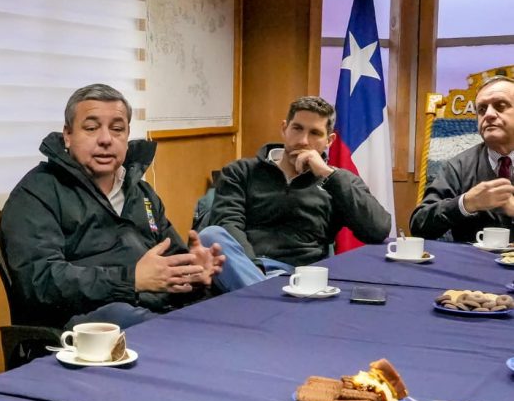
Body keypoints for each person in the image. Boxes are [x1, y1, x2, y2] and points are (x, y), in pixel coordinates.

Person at [0, 83, 225, 330]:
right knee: (130, 319)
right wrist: (132, 280)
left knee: (220, 312)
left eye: (117, 129)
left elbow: (168, 265)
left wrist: (193, 274)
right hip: (81, 327)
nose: (106, 139)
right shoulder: (37, 193)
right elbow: (40, 281)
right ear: (67, 135)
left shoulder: (141, 193)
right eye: (91, 128)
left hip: (152, 311)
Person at [202, 95, 392, 290]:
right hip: (245, 267)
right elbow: (227, 224)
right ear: (284, 129)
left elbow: (377, 230)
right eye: (297, 128)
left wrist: (328, 175)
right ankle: (261, 292)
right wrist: (255, 271)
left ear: (329, 140)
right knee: (211, 234)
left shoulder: (337, 180)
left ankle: (258, 296)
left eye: (315, 133)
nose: (303, 141)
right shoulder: (241, 172)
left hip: (299, 277)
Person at [410, 75, 514, 242]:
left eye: (500, 106)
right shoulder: (457, 167)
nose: (488, 115)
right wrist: (465, 204)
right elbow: (419, 225)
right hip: (469, 265)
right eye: (481, 110)